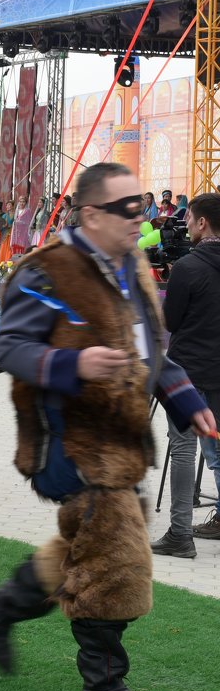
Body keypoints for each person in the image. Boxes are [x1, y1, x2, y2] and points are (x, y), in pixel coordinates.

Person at [0, 162, 214, 691]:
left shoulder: (132, 267)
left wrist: (186, 399)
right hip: (68, 444)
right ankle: (104, 687)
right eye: (128, 207)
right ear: (90, 214)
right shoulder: (46, 272)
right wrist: (72, 362)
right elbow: (8, 346)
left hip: (122, 442)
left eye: (142, 204)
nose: (142, 216)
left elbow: (153, 350)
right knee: (116, 558)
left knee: (82, 547)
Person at [153, 192, 220, 554]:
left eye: (190, 219)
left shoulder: (188, 268)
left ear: (203, 222)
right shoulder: (190, 266)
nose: (187, 225)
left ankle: (180, 533)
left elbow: (171, 322)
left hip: (187, 373)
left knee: (182, 450)